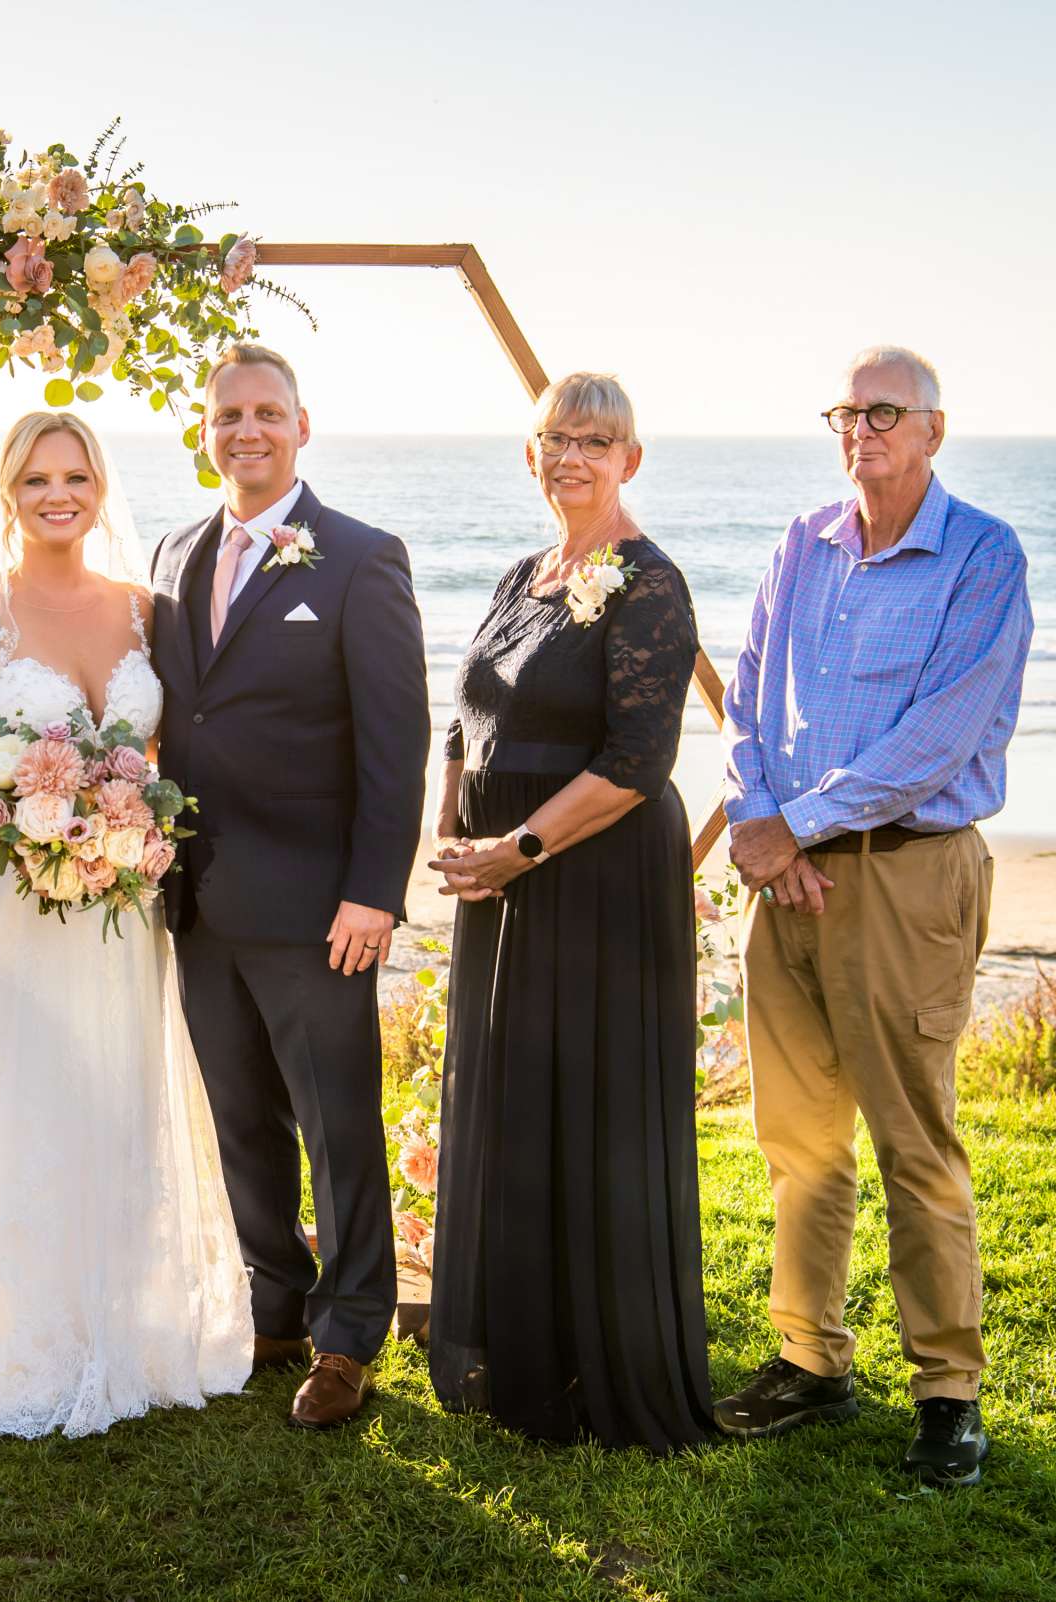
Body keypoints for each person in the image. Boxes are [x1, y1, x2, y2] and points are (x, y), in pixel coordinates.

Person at [0, 412, 253, 1439]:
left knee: (113, 1088)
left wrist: (113, 838)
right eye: (37, 478)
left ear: (99, 487)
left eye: (75, 476)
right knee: (18, 1090)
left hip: (119, 898)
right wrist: (38, 842)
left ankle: (112, 1324)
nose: (58, 494)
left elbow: (167, 747)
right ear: (8, 490)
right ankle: (12, 1332)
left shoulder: (144, 610)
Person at [715, 345, 1032, 1488]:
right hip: (787, 878)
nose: (862, 430)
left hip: (905, 877)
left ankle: (948, 1394)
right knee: (799, 1142)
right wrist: (765, 821)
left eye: (885, 412)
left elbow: (938, 736)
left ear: (935, 431)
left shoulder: (983, 555)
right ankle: (811, 1359)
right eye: (847, 412)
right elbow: (744, 697)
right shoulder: (803, 543)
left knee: (915, 1142)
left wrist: (789, 825)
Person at [424, 373, 718, 1450]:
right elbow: (465, 714)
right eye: (557, 440)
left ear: (631, 459)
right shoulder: (523, 573)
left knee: (590, 1111)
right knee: (516, 1100)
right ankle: (520, 1350)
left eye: (598, 441)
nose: (575, 459)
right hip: (501, 885)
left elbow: (640, 763)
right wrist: (448, 825)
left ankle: (600, 1368)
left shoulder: (651, 585)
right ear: (532, 454)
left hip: (593, 879)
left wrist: (519, 848)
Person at [148, 344, 429, 1429]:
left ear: (302, 427)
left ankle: (351, 1332)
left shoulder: (361, 559)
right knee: (240, 1118)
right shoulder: (176, 551)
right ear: (205, 430)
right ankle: (275, 1304)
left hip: (319, 907)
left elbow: (394, 741)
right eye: (229, 416)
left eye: (268, 413)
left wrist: (374, 890)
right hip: (199, 898)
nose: (247, 432)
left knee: (336, 1122)